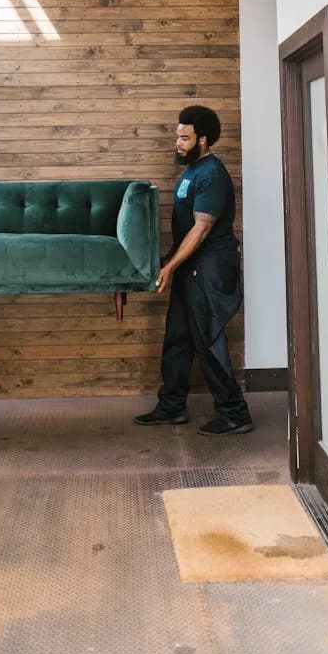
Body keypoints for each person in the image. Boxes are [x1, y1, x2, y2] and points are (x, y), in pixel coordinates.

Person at [135, 106, 253, 435]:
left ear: (202, 139)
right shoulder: (192, 171)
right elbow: (186, 226)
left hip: (209, 267)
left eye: (185, 138)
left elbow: (201, 229)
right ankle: (172, 407)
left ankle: (235, 414)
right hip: (191, 266)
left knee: (208, 339)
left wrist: (171, 266)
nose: (178, 142)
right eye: (178, 136)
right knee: (178, 337)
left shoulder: (211, 174)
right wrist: (170, 261)